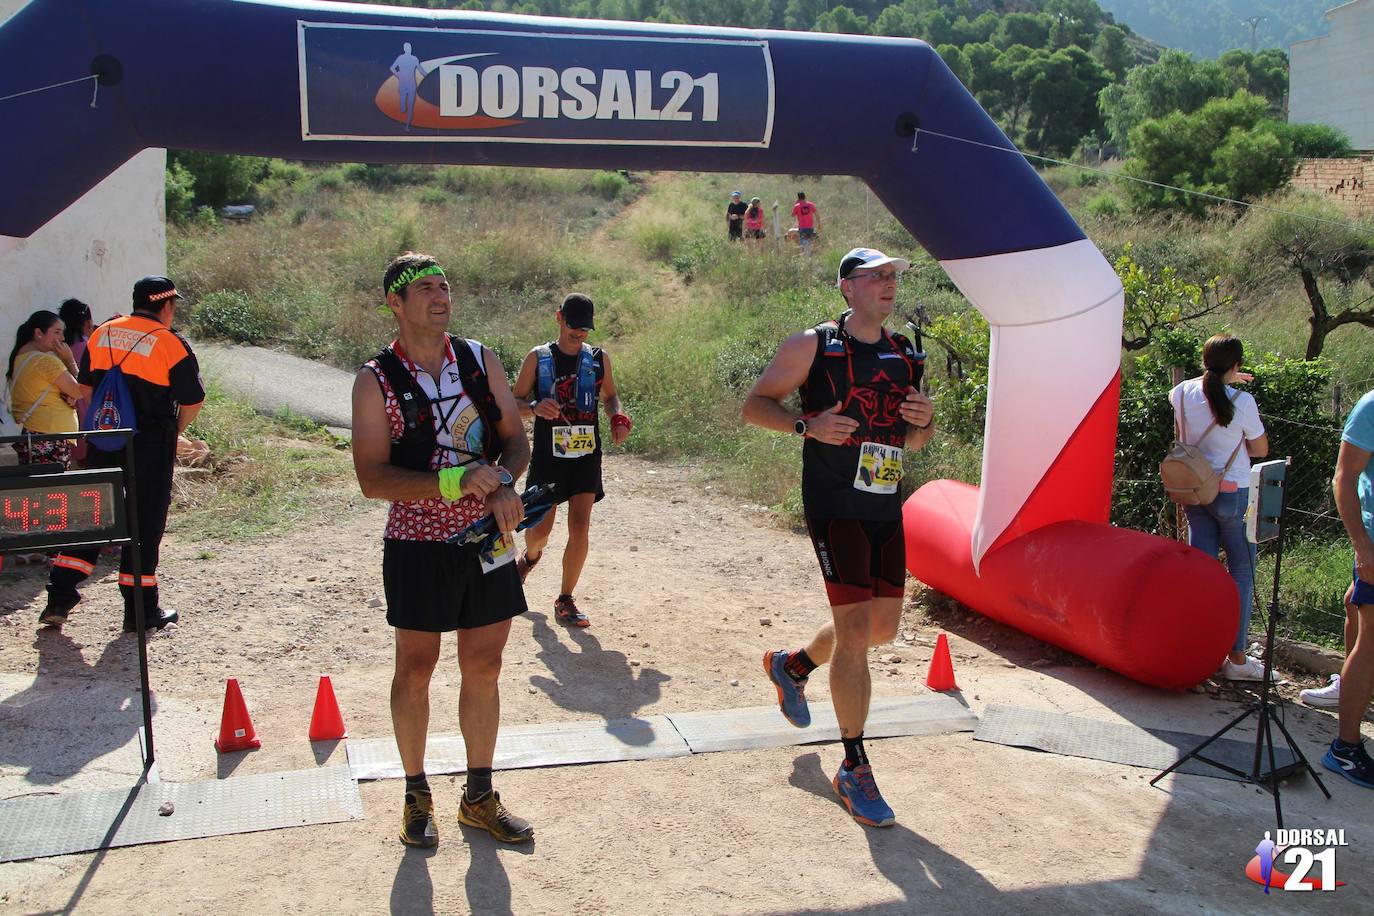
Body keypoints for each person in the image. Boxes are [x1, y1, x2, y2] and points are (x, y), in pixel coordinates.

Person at [743, 247, 935, 827]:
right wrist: (809, 425)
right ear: (847, 288)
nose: (888, 284)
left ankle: (794, 665)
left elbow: (913, 445)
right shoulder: (814, 345)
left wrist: (923, 423)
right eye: (875, 276)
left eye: (892, 276)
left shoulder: (906, 353)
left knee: (879, 629)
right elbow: (754, 406)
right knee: (855, 632)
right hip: (833, 503)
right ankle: (853, 765)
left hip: (883, 500)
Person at [352, 252, 535, 847]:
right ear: (395, 303)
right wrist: (456, 482)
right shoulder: (374, 379)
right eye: (424, 288)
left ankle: (478, 796)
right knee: (415, 670)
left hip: (486, 539)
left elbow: (515, 442)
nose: (439, 297)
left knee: (485, 666)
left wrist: (504, 481)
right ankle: (415, 794)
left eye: (445, 286)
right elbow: (372, 478)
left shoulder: (481, 361)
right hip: (416, 543)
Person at [40, 277, 205, 632]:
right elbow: (192, 400)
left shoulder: (103, 333)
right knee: (144, 525)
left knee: (92, 514)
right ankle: (141, 611)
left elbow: (85, 388)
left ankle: (59, 597)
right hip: (149, 446)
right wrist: (173, 432)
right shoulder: (169, 343)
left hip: (106, 439)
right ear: (166, 305)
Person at [511, 293, 630, 628]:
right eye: (574, 328)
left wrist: (617, 417)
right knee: (539, 531)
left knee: (580, 526)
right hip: (550, 457)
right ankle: (530, 558)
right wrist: (534, 408)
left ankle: (565, 599)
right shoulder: (537, 358)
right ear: (558, 318)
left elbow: (611, 397)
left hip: (586, 455)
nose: (579, 336)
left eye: (585, 331)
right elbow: (512, 401)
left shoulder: (598, 359)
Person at [1168, 335, 1268, 681]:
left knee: (1203, 570)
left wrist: (1223, 378)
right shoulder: (1243, 402)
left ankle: (1198, 651)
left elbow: (1201, 387)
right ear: (1237, 364)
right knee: (1241, 569)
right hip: (1231, 492)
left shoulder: (1180, 393)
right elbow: (1259, 449)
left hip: (1194, 489)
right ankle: (1237, 658)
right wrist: (1231, 384)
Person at [1320, 387, 1374, 788]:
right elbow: (1345, 477)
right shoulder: (1372, 405)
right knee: (1371, 646)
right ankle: (1345, 747)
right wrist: (1363, 549)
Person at [7, 309, 81, 469]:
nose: (62, 338)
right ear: (38, 333)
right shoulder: (45, 361)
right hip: (48, 434)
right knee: (55, 488)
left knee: (38, 489)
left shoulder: (20, 357)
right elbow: (80, 390)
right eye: (57, 332)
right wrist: (70, 361)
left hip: (31, 433)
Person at [59, 298, 94, 466]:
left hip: (65, 407)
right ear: (86, 322)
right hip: (85, 403)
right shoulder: (88, 346)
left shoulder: (59, 347)